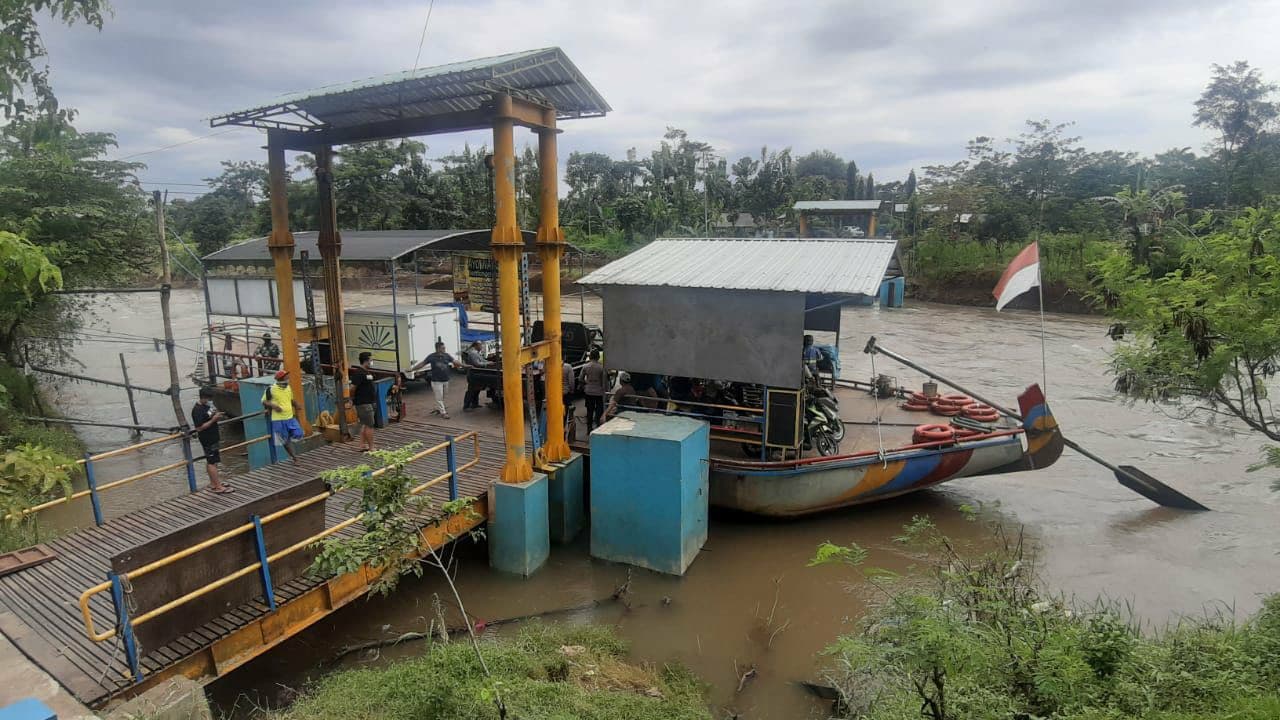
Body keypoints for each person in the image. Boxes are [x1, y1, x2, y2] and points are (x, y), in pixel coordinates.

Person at [191, 388, 232, 493]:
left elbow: (209, 416)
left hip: (213, 437)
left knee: (214, 461)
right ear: (204, 397)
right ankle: (218, 487)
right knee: (211, 462)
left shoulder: (207, 406)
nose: (210, 400)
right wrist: (213, 420)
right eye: (209, 398)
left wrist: (216, 415)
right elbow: (199, 428)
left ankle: (214, 483)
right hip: (207, 438)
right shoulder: (197, 410)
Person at [410, 341, 461, 419]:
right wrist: (412, 369)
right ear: (438, 349)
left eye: (444, 348)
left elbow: (455, 361)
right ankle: (443, 413)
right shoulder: (431, 357)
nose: (444, 349)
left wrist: (464, 365)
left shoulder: (446, 356)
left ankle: (439, 408)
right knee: (439, 397)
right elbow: (422, 364)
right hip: (436, 381)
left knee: (444, 396)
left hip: (446, 380)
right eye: (443, 348)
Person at [262, 369, 303, 463]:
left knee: (298, 433)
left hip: (289, 417)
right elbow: (264, 401)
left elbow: (291, 399)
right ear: (281, 379)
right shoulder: (271, 389)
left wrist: (296, 404)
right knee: (284, 440)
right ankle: (295, 458)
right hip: (278, 419)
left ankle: (291, 445)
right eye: (286, 377)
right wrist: (274, 406)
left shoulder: (288, 388)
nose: (288, 378)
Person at [350, 351, 378, 453]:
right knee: (370, 425)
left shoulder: (367, 372)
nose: (372, 362)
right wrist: (351, 399)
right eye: (371, 360)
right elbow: (352, 388)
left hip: (370, 402)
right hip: (363, 403)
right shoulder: (359, 373)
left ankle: (362, 445)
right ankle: (371, 447)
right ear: (366, 361)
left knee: (365, 424)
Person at [580, 349, 607, 431]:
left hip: (588, 392)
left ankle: (589, 428)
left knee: (589, 410)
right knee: (599, 410)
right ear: (598, 357)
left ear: (590, 356)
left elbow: (581, 379)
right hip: (599, 392)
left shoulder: (585, 366)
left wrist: (585, 385)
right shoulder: (601, 367)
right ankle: (598, 427)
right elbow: (604, 382)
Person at [461, 341, 490, 411]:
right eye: (480, 345)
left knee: (477, 390)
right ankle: (466, 406)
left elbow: (482, 360)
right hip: (473, 375)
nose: (481, 347)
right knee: (471, 390)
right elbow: (477, 363)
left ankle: (475, 404)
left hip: (477, 374)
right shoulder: (473, 353)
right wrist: (487, 364)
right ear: (476, 346)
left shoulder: (476, 353)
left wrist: (488, 362)